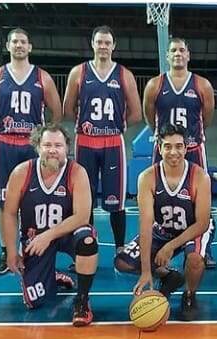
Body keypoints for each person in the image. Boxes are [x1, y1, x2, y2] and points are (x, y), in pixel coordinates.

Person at [0, 27, 63, 276]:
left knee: (35, 199)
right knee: (4, 202)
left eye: (23, 42)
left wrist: (41, 137)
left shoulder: (42, 77)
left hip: (31, 145)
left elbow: (57, 112)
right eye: (14, 42)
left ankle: (35, 247)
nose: (19, 45)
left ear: (30, 47)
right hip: (5, 143)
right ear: (8, 46)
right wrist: (1, 128)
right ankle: (7, 250)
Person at [2, 124, 99, 327]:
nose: (53, 150)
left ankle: (82, 300)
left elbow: (82, 216)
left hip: (67, 234)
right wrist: (11, 251)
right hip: (34, 238)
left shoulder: (77, 172)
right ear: (37, 147)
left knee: (87, 239)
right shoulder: (21, 173)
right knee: (34, 302)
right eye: (47, 145)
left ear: (67, 148)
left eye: (58, 145)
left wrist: (49, 235)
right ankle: (51, 277)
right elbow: (9, 214)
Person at [114, 123, 213, 321]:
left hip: (194, 229)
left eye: (178, 146)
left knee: (194, 259)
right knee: (122, 262)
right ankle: (168, 275)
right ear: (159, 148)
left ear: (186, 148)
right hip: (163, 229)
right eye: (167, 146)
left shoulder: (200, 177)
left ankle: (189, 295)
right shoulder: (147, 177)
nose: (173, 152)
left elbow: (202, 223)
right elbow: (145, 225)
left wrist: (170, 247)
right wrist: (146, 272)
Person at [63, 25, 142, 258]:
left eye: (107, 43)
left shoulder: (124, 74)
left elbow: (136, 112)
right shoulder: (79, 72)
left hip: (113, 143)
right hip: (85, 141)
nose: (103, 46)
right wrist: (86, 123)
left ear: (114, 46)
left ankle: (120, 248)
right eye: (99, 42)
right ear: (93, 44)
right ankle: (86, 245)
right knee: (84, 197)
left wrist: (118, 125)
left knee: (116, 201)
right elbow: (69, 108)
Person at [142, 37, 216, 268]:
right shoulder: (155, 84)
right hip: (165, 149)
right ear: (167, 55)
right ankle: (159, 243)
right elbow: (148, 114)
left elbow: (208, 117)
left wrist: (188, 140)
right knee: (159, 197)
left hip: (193, 147)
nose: (177, 54)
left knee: (200, 201)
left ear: (188, 55)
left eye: (182, 50)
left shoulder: (202, 85)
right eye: (173, 50)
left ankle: (204, 248)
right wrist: (165, 139)